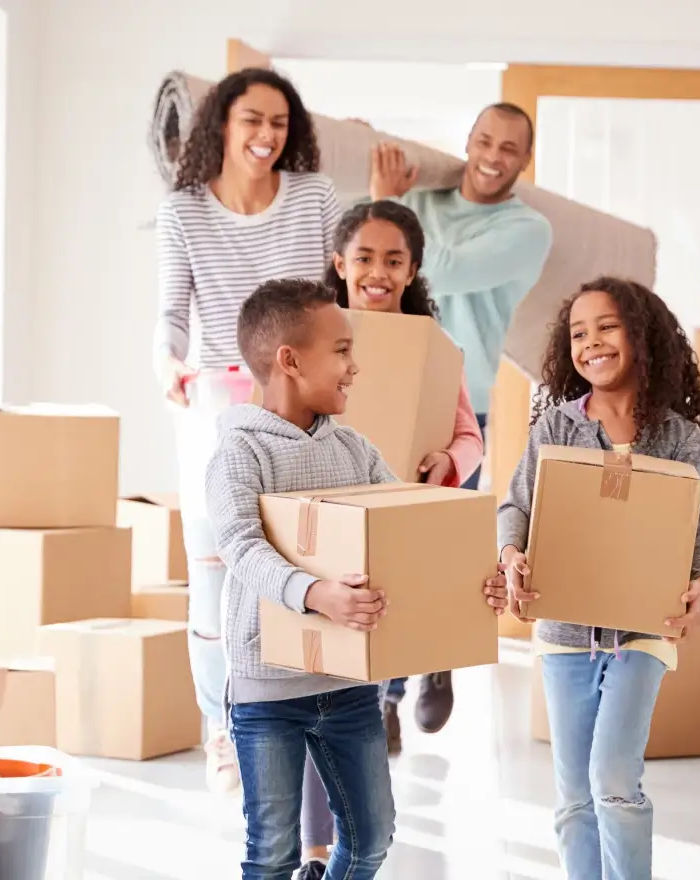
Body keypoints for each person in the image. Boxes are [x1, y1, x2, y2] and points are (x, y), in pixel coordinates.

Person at [212, 278, 506, 880]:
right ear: (289, 361)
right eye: (341, 350)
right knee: (271, 852)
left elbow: (407, 535)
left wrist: (476, 584)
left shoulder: (354, 448)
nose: (354, 367)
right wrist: (316, 594)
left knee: (371, 838)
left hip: (349, 682)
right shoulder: (240, 452)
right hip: (267, 686)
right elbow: (240, 545)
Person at [484, 278, 700, 880]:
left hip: (645, 629)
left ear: (641, 336)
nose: (591, 343)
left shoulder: (677, 437)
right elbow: (515, 506)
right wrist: (511, 553)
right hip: (566, 634)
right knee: (573, 798)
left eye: (607, 327)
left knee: (613, 780)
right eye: (578, 333)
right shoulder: (556, 430)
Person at [152, 68, 341, 799]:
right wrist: (166, 360)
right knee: (216, 582)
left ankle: (304, 728)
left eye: (280, 124)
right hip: (216, 407)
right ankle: (222, 732)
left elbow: (341, 295)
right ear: (221, 127)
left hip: (300, 408)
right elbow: (171, 312)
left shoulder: (315, 198)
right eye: (252, 121)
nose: (267, 137)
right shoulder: (183, 212)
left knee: (298, 567)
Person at [363, 102, 554, 734]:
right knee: (380, 551)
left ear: (524, 160)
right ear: (468, 142)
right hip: (388, 388)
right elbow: (371, 260)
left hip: (459, 401)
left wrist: (390, 204)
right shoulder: (428, 202)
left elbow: (442, 268)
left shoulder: (527, 230)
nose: (492, 156)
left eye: (508, 148)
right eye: (483, 140)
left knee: (434, 555)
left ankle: (434, 661)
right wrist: (397, 202)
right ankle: (385, 701)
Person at [326, 200, 485, 758]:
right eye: (364, 258)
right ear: (340, 265)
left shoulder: (431, 348)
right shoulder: (315, 336)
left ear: (412, 271)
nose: (379, 273)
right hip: (335, 512)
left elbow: (470, 436)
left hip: (404, 511)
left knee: (387, 623)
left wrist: (449, 461)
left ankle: (403, 689)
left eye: (394, 261)